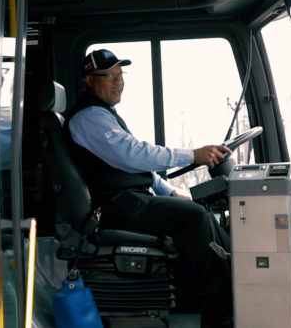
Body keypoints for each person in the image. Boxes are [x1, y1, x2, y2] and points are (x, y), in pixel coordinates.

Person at [64, 48, 233, 327]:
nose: (119, 82)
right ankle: (220, 316)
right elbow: (132, 154)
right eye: (109, 76)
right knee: (193, 218)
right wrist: (193, 155)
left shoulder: (104, 115)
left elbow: (137, 167)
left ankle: (230, 289)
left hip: (129, 199)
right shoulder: (89, 118)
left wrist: (171, 192)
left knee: (197, 211)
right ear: (89, 79)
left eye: (120, 75)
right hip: (115, 205)